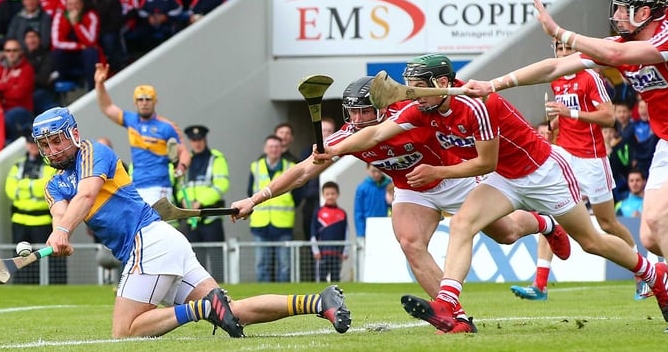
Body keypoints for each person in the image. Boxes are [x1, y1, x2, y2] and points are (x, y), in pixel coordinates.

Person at [464, 0, 668, 332]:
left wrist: (561, 31)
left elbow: (619, 57)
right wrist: (494, 85)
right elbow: (553, 67)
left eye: (625, 9)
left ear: (646, 11)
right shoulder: (619, 44)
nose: (618, 16)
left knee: (663, 222)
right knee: (652, 237)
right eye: (617, 8)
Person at [319, 56, 668, 334]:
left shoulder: (479, 105)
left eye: (417, 85)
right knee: (461, 225)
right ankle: (448, 303)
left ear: (442, 83)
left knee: (592, 241)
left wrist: (437, 172)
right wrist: (332, 150)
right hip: (504, 178)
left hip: (543, 172)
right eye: (408, 85)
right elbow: (375, 136)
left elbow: (482, 162)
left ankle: (652, 272)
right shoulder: (422, 108)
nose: (410, 92)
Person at [229, 75, 572, 334]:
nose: (358, 119)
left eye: (365, 111)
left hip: (452, 176)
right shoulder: (346, 136)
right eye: (353, 112)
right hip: (411, 189)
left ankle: (546, 225)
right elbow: (303, 171)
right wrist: (255, 199)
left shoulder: (409, 116)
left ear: (381, 108)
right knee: (410, 243)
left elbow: (449, 106)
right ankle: (455, 317)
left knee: (508, 233)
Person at [31, 106, 351, 338]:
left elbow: (86, 196)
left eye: (57, 140)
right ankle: (320, 302)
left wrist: (62, 231)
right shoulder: (53, 185)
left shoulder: (92, 152)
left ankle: (202, 309)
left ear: (73, 134)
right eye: (45, 144)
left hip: (149, 242)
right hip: (162, 245)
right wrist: (59, 235)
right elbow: (61, 212)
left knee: (125, 330)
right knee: (233, 311)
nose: (52, 149)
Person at [511, 39, 645, 302]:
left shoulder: (590, 78)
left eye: (567, 49)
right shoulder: (557, 80)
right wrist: (555, 121)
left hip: (592, 159)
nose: (563, 53)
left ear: (577, 52)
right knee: (548, 215)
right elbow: (563, 119)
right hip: (564, 155)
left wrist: (569, 112)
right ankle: (540, 284)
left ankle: (642, 272)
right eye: (559, 49)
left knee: (607, 223)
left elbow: (608, 118)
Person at [94, 63, 190, 205]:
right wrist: (99, 84)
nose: (144, 103)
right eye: (140, 99)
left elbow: (184, 152)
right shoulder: (131, 121)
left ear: (155, 101)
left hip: (159, 186)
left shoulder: (167, 127)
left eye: (148, 99)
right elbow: (107, 107)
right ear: (135, 102)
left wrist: (181, 167)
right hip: (137, 186)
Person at [5, 132, 65, 284]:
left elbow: (47, 186)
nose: (32, 146)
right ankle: (21, 288)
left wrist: (24, 185)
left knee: (48, 261)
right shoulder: (18, 165)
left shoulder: (49, 164)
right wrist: (34, 186)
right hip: (20, 221)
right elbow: (10, 190)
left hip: (42, 221)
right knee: (21, 261)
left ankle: (52, 288)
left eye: (34, 143)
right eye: (29, 142)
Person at [177, 124, 228, 277]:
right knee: (195, 260)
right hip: (192, 218)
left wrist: (200, 202)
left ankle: (220, 288)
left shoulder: (216, 158)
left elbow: (221, 185)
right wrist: (183, 201)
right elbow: (181, 185)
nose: (197, 143)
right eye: (193, 140)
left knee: (216, 258)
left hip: (210, 216)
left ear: (204, 139)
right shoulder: (186, 160)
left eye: (199, 139)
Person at [248, 135, 297, 282]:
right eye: (271, 147)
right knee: (262, 263)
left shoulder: (290, 167)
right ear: (265, 149)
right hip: (260, 223)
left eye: (277, 147)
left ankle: (283, 299)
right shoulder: (255, 167)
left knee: (285, 265)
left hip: (283, 222)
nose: (274, 150)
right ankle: (264, 299)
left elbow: (299, 194)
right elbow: (249, 192)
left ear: (282, 149)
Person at [311, 181, 349, 282]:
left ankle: (335, 297)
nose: (330, 196)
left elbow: (346, 233)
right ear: (323, 195)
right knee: (322, 278)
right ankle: (322, 297)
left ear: (338, 194)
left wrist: (345, 251)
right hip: (323, 253)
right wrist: (315, 250)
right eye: (327, 194)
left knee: (336, 278)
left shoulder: (342, 213)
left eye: (333, 194)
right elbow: (313, 233)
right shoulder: (318, 212)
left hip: (337, 253)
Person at [354, 163, 391, 239]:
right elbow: (358, 212)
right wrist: (361, 234)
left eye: (379, 171)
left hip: (387, 226)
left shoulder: (389, 185)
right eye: (373, 171)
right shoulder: (362, 188)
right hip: (369, 228)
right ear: (367, 169)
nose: (377, 174)